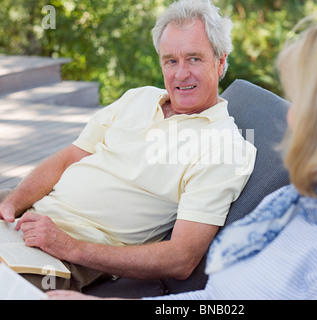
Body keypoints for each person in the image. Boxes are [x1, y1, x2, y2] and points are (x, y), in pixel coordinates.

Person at [49, 5, 317, 300]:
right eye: (170, 60)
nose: (291, 115)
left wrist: (73, 251)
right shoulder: (298, 204)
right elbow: (217, 301)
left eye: (307, 100)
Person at [0, 0, 256, 292]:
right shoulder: (139, 98)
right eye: (171, 60)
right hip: (27, 213)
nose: (180, 73)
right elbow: (68, 158)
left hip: (63, 252)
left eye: (194, 59)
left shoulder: (224, 147)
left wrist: (68, 246)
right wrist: (11, 203)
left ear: (220, 61)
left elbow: (181, 259)